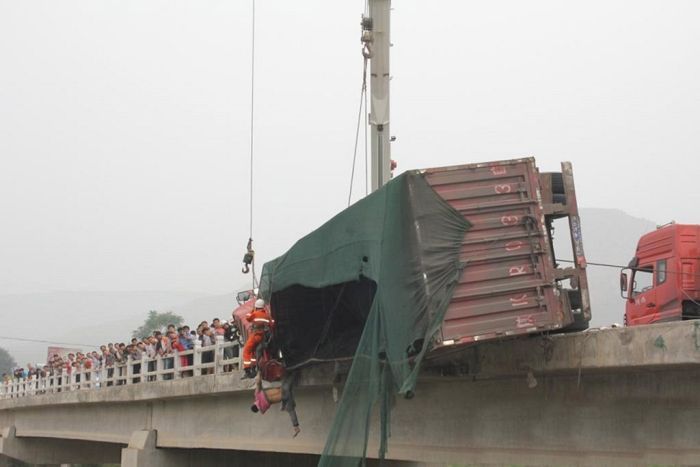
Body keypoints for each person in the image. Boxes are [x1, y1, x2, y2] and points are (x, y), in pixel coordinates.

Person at [250, 371, 300, 437]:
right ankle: (295, 370)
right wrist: (259, 372)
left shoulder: (263, 409)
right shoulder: (257, 395)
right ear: (254, 403)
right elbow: (259, 383)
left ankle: (296, 427)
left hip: (284, 397)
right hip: (283, 390)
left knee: (291, 410)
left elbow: (259, 384)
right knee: (289, 376)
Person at [242, 299, 272, 379]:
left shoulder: (255, 314)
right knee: (253, 351)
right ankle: (254, 367)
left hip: (255, 335)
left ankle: (248, 370)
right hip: (262, 336)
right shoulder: (267, 315)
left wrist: (252, 310)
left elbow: (248, 318)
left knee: (246, 351)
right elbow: (271, 324)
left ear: (256, 306)